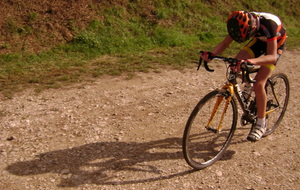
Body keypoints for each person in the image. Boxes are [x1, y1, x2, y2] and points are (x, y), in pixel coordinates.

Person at [200, 10, 287, 142]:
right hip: (258, 41)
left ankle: (261, 123)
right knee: (235, 65)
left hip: (275, 45)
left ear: (252, 28)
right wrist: (211, 55)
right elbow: (225, 43)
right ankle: (248, 84)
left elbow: (272, 56)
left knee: (259, 84)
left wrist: (250, 62)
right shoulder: (239, 24)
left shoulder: (269, 25)